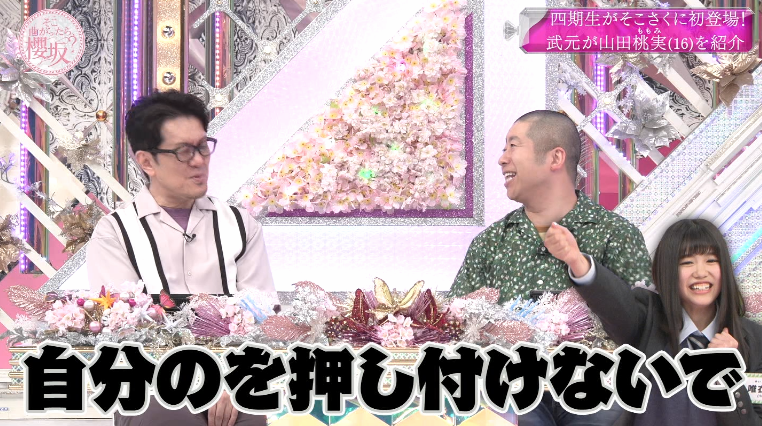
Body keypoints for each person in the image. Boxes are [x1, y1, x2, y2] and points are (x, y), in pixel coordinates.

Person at [448, 110, 652, 425]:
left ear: (555, 158)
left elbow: (645, 328)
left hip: (595, 384)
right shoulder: (490, 242)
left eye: (513, 146)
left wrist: (583, 268)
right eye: (504, 148)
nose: (502, 159)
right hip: (513, 384)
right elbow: (453, 326)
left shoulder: (616, 234)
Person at [87, 89, 276, 426]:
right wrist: (198, 382)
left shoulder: (239, 224)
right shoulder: (115, 232)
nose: (199, 160)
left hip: (232, 378)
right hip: (152, 381)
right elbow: (122, 329)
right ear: (147, 161)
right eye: (184, 151)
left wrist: (231, 381)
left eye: (203, 146)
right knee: (166, 414)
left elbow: (262, 313)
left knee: (250, 411)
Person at [546, 218, 762, 425]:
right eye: (687, 262)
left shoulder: (755, 340)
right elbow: (614, 301)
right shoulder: (647, 318)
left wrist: (726, 371)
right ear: (668, 270)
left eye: (711, 260)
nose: (700, 272)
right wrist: (576, 260)